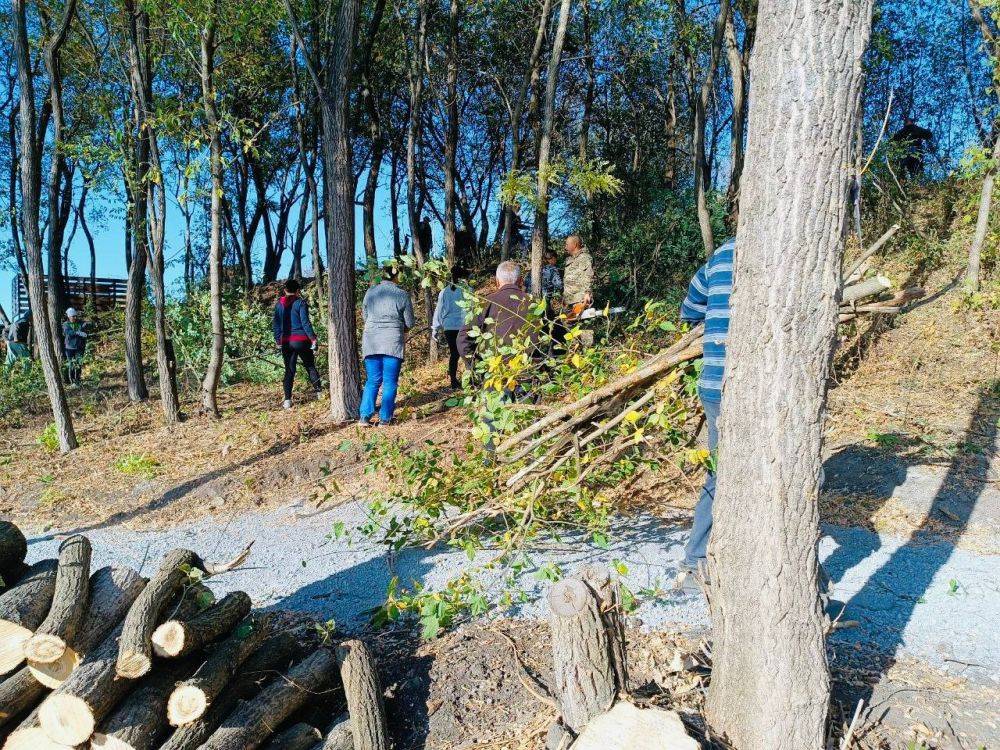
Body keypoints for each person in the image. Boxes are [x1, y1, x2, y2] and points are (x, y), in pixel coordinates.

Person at [675, 238, 734, 593]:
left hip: (714, 383)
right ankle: (697, 561)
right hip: (748, 390)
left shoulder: (721, 256)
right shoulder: (790, 247)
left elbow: (689, 309)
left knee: (719, 471)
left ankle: (695, 561)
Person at [459, 261, 543, 453]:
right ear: (521, 280)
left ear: (497, 281)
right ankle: (534, 466)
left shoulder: (485, 303)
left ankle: (491, 467)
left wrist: (477, 367)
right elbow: (552, 339)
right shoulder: (534, 304)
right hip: (528, 372)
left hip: (495, 374)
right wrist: (545, 366)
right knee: (531, 422)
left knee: (492, 425)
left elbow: (463, 339)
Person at [360, 264, 415, 426]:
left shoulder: (370, 292)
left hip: (371, 341)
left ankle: (364, 416)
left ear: (381, 276)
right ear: (396, 276)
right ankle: (385, 418)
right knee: (390, 381)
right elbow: (410, 322)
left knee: (372, 380)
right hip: (392, 342)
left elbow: (365, 316)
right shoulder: (402, 294)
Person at [272, 278, 322, 409]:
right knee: (310, 366)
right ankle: (319, 393)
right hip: (301, 340)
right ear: (298, 291)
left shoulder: (279, 305)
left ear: (285, 290)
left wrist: (278, 340)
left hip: (286, 342)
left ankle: (287, 400)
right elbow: (305, 322)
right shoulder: (300, 303)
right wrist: (313, 338)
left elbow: (276, 325)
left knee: (289, 371)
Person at [432, 266, 471, 389]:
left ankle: (454, 381)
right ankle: (470, 380)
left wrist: (435, 328)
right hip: (463, 325)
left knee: (454, 354)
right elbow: (472, 309)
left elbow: (439, 311)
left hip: (448, 327)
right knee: (467, 352)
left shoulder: (444, 292)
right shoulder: (468, 290)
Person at [62, 308, 88, 386]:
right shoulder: (66, 324)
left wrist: (85, 328)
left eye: (75, 316)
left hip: (79, 347)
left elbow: (85, 327)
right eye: (73, 316)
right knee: (71, 365)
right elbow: (68, 332)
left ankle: (78, 381)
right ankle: (71, 381)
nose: (75, 318)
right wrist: (77, 332)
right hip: (69, 348)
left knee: (79, 364)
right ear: (69, 317)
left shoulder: (80, 323)